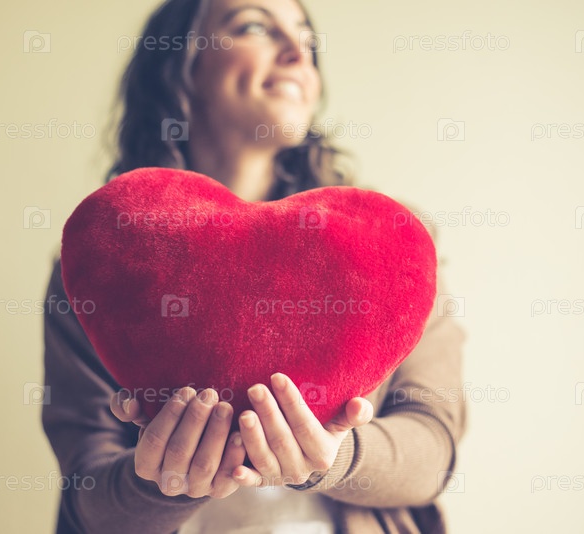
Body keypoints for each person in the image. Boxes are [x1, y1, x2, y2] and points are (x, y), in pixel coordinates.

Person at [42, 0, 467, 532]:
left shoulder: (389, 248)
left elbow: (434, 449)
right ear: (181, 64)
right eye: (255, 26)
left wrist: (331, 456)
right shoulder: (102, 264)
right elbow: (88, 497)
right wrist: (163, 481)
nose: (297, 54)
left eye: (307, 38)